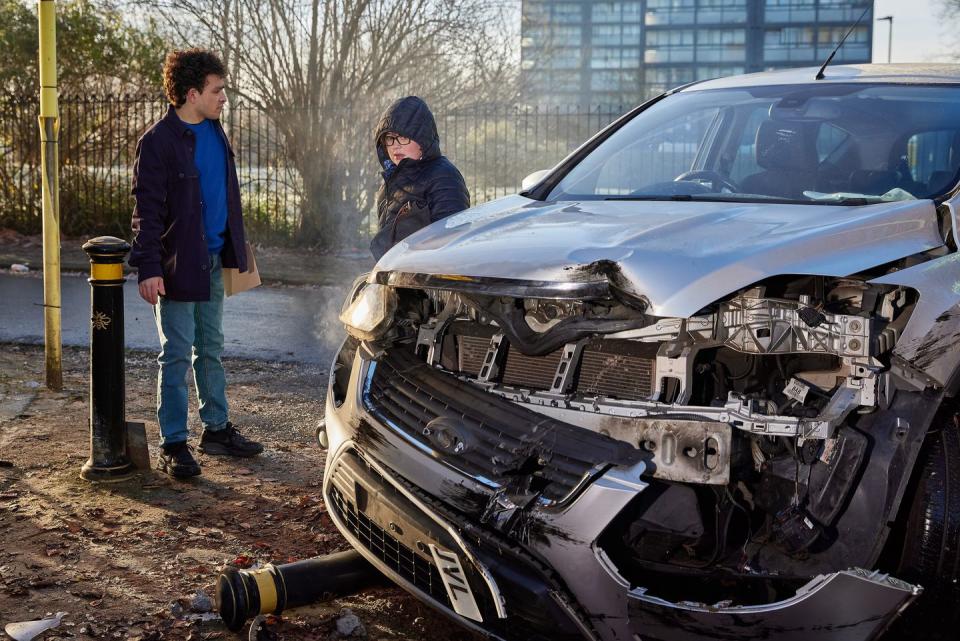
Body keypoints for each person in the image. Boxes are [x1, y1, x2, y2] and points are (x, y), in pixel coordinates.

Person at [129, 48, 263, 479]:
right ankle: (173, 442)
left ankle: (217, 430)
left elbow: (223, 194)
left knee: (211, 348)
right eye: (217, 90)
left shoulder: (216, 131)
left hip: (213, 258)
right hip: (175, 265)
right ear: (192, 93)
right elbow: (146, 212)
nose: (224, 97)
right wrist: (148, 267)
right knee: (175, 354)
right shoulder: (158, 143)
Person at [370, 96, 470, 259]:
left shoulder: (444, 175)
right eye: (389, 138)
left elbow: (454, 239)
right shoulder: (390, 182)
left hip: (426, 278)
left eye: (403, 137)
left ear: (422, 139)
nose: (395, 145)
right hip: (397, 276)